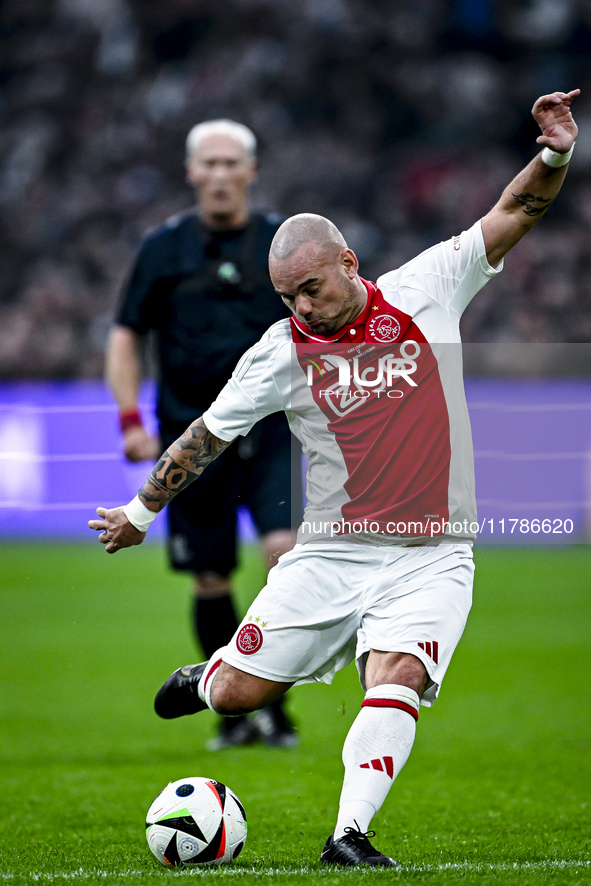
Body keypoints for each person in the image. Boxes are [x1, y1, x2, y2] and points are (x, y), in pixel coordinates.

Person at [91, 91, 579, 866]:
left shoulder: (427, 288)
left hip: (433, 553)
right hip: (332, 553)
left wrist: (553, 152)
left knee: (400, 675)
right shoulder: (279, 350)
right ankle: (210, 679)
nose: (301, 308)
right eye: (286, 297)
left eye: (310, 289)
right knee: (241, 696)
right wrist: (140, 511)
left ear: (347, 263)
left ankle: (347, 836)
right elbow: (205, 438)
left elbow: (515, 211)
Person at [104, 119, 300, 750]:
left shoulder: (281, 242)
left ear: (251, 171)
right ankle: (235, 712)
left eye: (230, 163)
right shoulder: (162, 249)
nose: (219, 175)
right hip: (192, 438)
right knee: (210, 577)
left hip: (273, 431)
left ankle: (271, 707)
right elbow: (125, 334)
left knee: (283, 558)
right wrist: (130, 418)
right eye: (207, 164)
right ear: (191, 173)